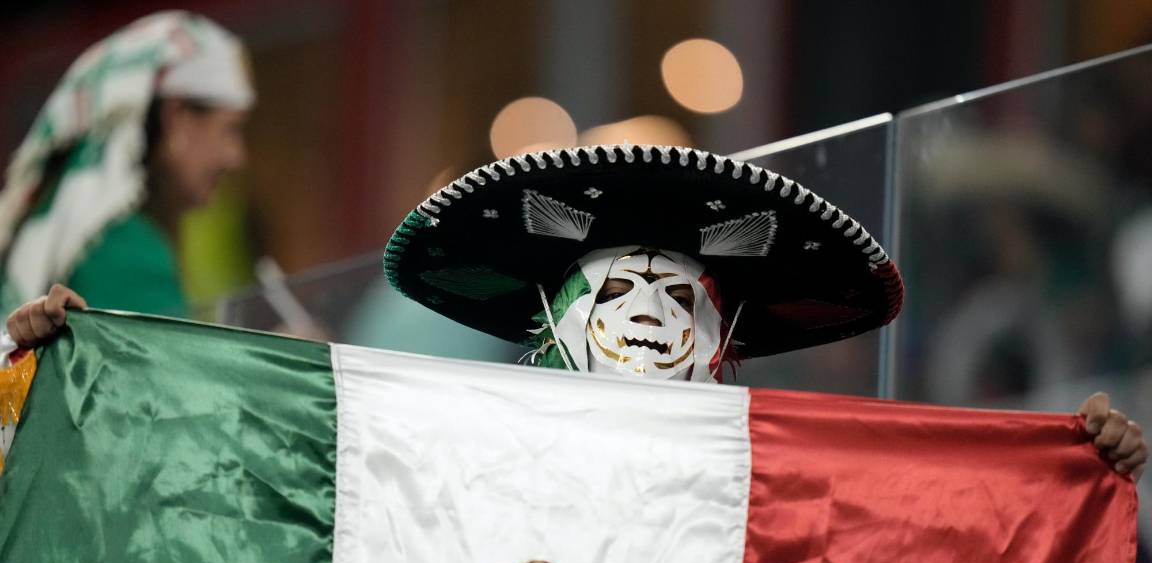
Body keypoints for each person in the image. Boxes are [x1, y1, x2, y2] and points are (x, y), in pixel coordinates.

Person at [7, 145, 1146, 479]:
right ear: (553, 325)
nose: (648, 318)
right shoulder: (443, 463)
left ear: (727, 346)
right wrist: (84, 391)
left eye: (679, 297)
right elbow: (246, 496)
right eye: (617, 291)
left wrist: (1060, 479)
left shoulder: (791, 493)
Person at [0, 11, 254, 319]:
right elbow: (173, 368)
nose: (235, 156)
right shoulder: (123, 250)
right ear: (177, 119)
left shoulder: (89, 237)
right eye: (231, 129)